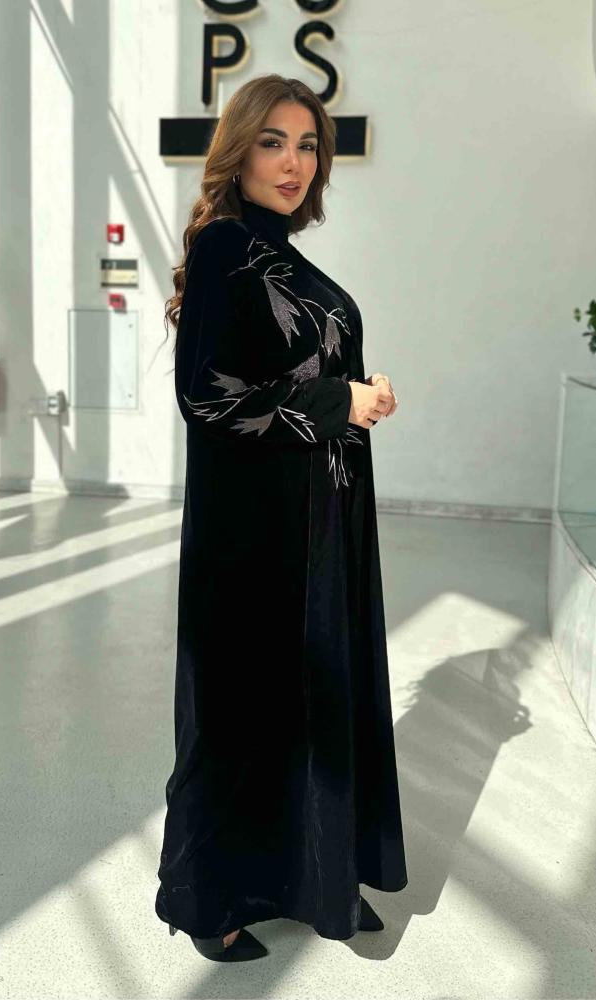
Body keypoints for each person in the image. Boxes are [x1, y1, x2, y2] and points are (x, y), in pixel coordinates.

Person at [155, 73, 407, 963]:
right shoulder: (227, 246)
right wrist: (341, 402)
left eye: (307, 145)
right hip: (255, 533)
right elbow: (207, 397)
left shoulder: (285, 256)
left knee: (314, 702)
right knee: (242, 712)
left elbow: (293, 371)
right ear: (238, 150)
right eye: (273, 142)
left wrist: (361, 393)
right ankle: (209, 901)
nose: (293, 163)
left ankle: (317, 875)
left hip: (320, 523)